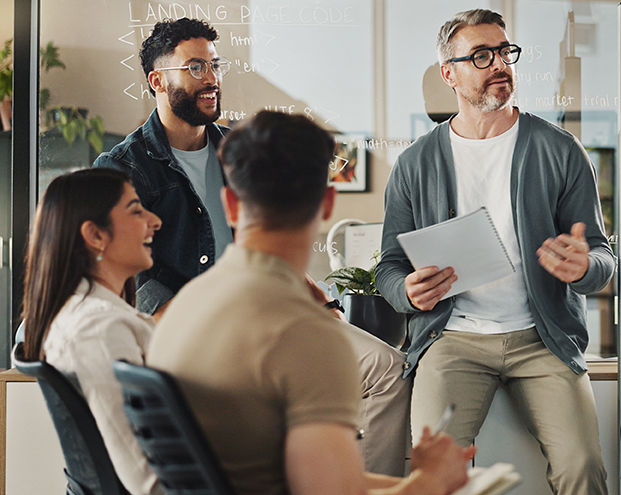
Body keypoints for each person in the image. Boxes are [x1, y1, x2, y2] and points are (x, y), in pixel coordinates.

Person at [94, 18, 410, 476]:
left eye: (215, 65)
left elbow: (268, 240)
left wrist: (319, 303)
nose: (212, 78)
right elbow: (132, 272)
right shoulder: (124, 167)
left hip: (271, 304)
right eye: (196, 67)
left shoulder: (235, 151)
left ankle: (364, 477)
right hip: (196, 321)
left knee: (387, 368)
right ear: (157, 81)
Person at [147, 111, 474, 495]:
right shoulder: (306, 336)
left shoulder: (185, 306)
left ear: (230, 205)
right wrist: (431, 482)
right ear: (327, 203)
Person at [375, 9, 616, 495]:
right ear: (450, 73)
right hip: (453, 341)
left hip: (542, 341)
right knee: (428, 479)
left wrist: (585, 266)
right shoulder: (415, 163)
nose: (499, 64)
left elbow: (602, 257)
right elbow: (389, 268)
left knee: (583, 466)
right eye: (481, 56)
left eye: (505, 52)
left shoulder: (559, 149)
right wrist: (408, 291)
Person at [19, 168, 164, 495]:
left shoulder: (85, 315)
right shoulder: (99, 330)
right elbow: (145, 480)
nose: (155, 221)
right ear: (96, 235)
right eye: (137, 210)